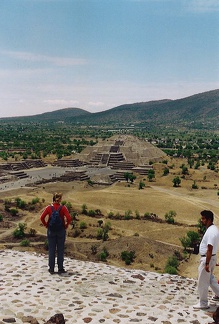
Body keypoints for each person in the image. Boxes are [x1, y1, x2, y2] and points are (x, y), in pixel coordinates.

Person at [40, 192, 72, 274]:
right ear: (59, 199)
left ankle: (51, 268)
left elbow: (42, 217)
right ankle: (60, 268)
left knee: (51, 250)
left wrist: (46, 225)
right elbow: (69, 218)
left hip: (51, 231)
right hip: (61, 230)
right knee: (60, 250)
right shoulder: (63, 208)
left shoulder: (49, 208)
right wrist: (66, 225)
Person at [193, 210, 219, 309]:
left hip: (207, 259)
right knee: (211, 280)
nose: (201, 220)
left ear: (209, 219)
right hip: (211, 257)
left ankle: (203, 303)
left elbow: (210, 247)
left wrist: (207, 263)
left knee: (202, 282)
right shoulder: (213, 229)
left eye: (203, 218)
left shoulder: (211, 231)